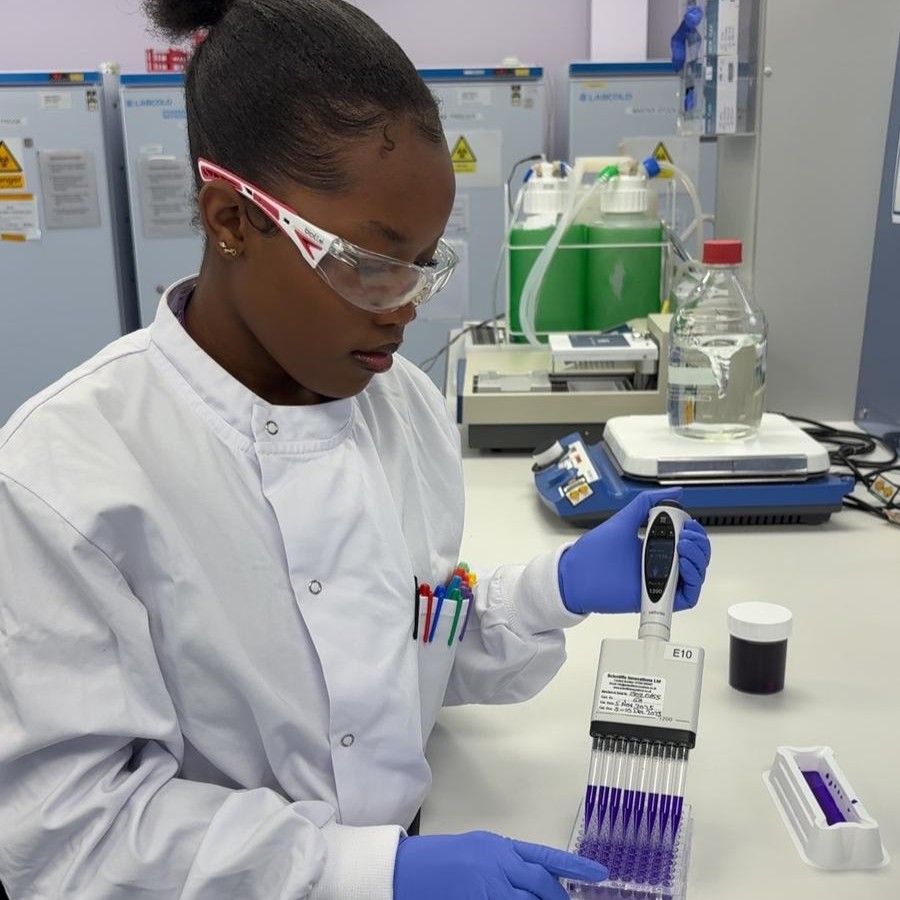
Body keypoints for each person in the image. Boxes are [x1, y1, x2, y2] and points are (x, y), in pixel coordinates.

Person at [0, 1, 711, 898]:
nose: (406, 304)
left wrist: (554, 590)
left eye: (425, 262)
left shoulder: (402, 408)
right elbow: (73, 833)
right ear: (230, 218)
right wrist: (372, 873)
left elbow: (406, 646)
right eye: (371, 262)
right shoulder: (65, 477)